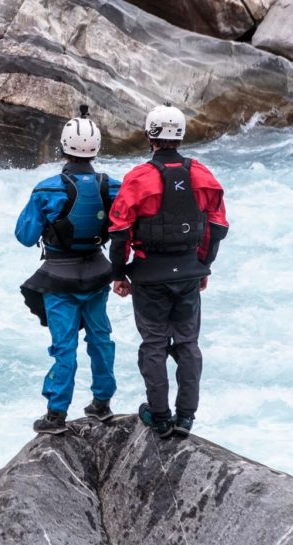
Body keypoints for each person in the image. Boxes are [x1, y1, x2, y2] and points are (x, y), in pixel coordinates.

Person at [108, 104, 229, 438]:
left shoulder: (138, 178)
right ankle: (186, 417)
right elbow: (217, 227)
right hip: (188, 273)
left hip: (150, 276)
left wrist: (118, 274)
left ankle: (160, 417)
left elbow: (120, 231)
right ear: (181, 136)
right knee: (188, 343)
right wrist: (203, 266)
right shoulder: (203, 175)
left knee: (154, 344)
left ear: (150, 136)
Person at [16, 105, 120, 435]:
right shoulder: (112, 187)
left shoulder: (47, 189)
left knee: (64, 347)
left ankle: (56, 414)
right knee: (101, 338)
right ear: (96, 148)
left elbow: (25, 236)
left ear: (63, 147)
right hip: (98, 273)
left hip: (59, 279)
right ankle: (102, 403)